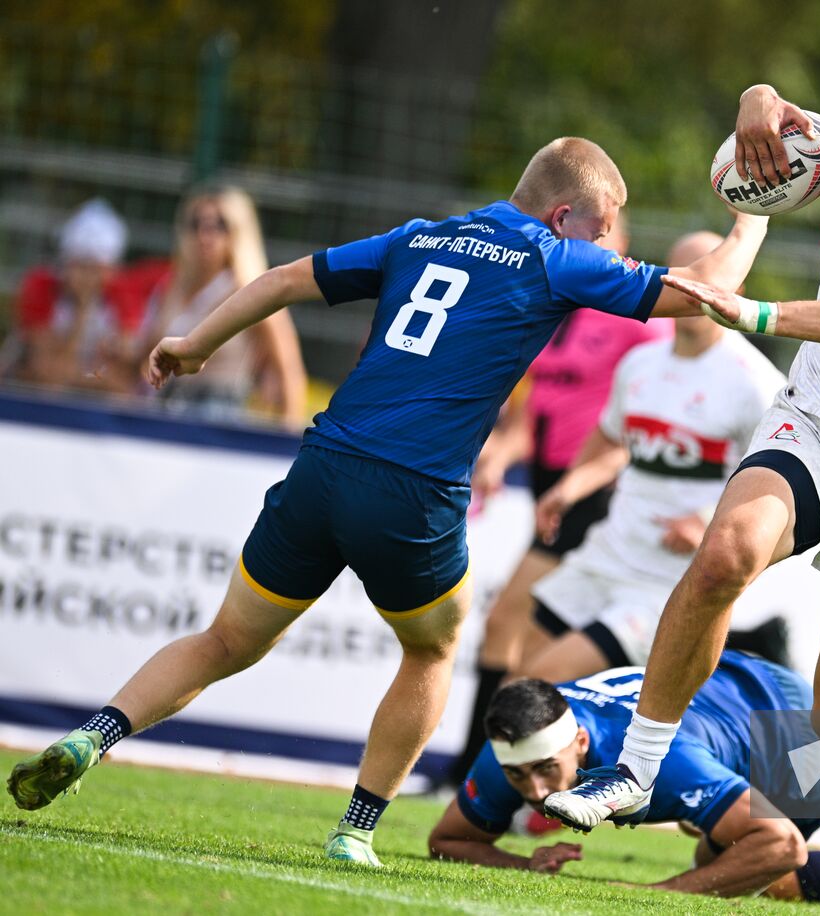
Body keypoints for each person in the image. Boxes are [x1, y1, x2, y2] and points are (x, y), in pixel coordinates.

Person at [4, 137, 770, 869]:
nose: (606, 250)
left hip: (324, 466)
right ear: (563, 217)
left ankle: (94, 735)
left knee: (225, 641)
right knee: (434, 649)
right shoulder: (554, 259)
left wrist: (193, 343)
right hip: (414, 491)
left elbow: (278, 281)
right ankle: (357, 828)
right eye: (602, 233)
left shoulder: (422, 235)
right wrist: (753, 214)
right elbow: (712, 292)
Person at [545, 34, 820, 887]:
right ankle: (637, 767)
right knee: (724, 557)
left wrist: (758, 315)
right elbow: (756, 152)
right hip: (815, 423)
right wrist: (757, 98)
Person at [428, 652, 820, 905]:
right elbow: (448, 841)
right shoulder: (519, 744)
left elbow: (779, 848)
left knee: (734, 864)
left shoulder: (663, 758)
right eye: (518, 777)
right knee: (724, 860)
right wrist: (520, 862)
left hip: (776, 727)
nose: (535, 793)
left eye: (546, 773)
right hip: (723, 696)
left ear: (580, 742)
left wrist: (654, 898)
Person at [442, 211, 670, 788]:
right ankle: (481, 773)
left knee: (517, 634)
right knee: (513, 638)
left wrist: (585, 480)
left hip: (590, 501)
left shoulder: (637, 322)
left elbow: (644, 422)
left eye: (601, 238)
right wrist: (499, 451)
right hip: (550, 494)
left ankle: (481, 776)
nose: (587, 246)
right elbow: (534, 412)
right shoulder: (556, 304)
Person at [520, 230, 788, 682]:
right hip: (610, 552)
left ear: (737, 288)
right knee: (519, 680)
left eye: (709, 276)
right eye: (682, 275)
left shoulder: (756, 383)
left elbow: (781, 491)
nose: (693, 286)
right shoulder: (640, 364)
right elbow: (610, 439)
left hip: (668, 582)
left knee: (546, 684)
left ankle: (745, 648)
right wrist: (568, 489)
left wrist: (707, 520)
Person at [143, 186, 307, 430]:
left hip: (220, 421)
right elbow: (145, 356)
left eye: (219, 224)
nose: (204, 234)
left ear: (238, 232)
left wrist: (287, 448)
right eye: (196, 223)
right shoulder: (172, 286)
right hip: (166, 411)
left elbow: (290, 374)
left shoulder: (256, 292)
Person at [4, 199, 149, 393]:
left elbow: (122, 383)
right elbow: (49, 377)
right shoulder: (40, 287)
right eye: (81, 266)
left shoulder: (122, 295)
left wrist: (87, 377)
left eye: (95, 269)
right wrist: (82, 313)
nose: (87, 278)